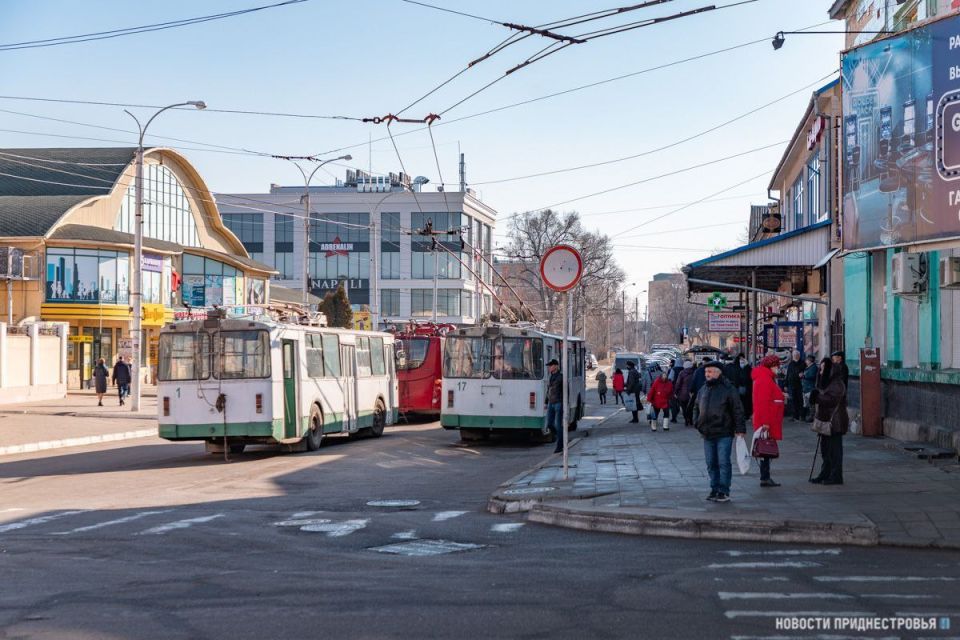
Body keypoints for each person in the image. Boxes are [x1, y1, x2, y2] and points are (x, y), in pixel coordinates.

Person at [693, 361, 746, 503]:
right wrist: (696, 422)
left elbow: (737, 409)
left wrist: (740, 429)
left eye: (709, 372)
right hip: (707, 432)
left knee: (723, 463)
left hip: (724, 432)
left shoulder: (728, 389)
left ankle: (723, 490)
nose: (707, 375)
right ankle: (714, 488)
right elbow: (696, 406)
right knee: (711, 463)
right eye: (706, 372)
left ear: (718, 372)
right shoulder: (703, 389)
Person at [810, 358, 849, 485]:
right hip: (826, 421)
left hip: (835, 422)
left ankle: (836, 475)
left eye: (822, 369)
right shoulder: (827, 383)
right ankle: (825, 473)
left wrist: (817, 396)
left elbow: (831, 400)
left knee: (834, 451)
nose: (820, 372)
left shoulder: (837, 383)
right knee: (825, 449)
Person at [752, 354, 785, 488]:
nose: (778, 368)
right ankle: (765, 477)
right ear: (771, 366)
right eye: (777, 365)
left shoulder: (765, 377)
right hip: (767, 420)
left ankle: (765, 476)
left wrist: (781, 396)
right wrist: (765, 422)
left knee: (766, 448)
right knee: (766, 448)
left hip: (768, 418)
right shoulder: (766, 379)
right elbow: (764, 402)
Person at [545, 359, 564, 453]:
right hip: (551, 403)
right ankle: (560, 436)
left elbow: (565, 391)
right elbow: (548, 390)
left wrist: (564, 403)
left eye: (551, 365)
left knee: (558, 424)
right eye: (549, 366)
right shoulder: (550, 376)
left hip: (558, 403)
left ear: (556, 366)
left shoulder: (561, 377)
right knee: (549, 424)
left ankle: (559, 446)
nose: (549, 367)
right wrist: (546, 401)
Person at [673, 360, 696, 426]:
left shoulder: (682, 373)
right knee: (690, 407)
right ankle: (691, 420)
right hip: (691, 393)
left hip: (682, 394)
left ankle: (686, 420)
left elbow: (678, 383)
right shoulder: (694, 372)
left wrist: (675, 392)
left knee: (684, 408)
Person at [785, 350, 805, 421]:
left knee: (801, 400)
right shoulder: (791, 364)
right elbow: (788, 375)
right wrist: (786, 385)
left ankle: (802, 416)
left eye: (796, 354)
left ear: (799, 355)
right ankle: (795, 416)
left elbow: (803, 373)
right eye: (794, 355)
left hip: (800, 385)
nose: (795, 356)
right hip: (792, 385)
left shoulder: (802, 363)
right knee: (794, 401)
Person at [801, 355, 818, 423]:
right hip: (806, 388)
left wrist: (803, 376)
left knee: (811, 404)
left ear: (810, 360)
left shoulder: (813, 367)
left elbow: (812, 376)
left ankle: (812, 417)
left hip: (810, 388)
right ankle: (805, 416)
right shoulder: (808, 367)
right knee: (806, 403)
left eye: (807, 360)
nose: (805, 361)